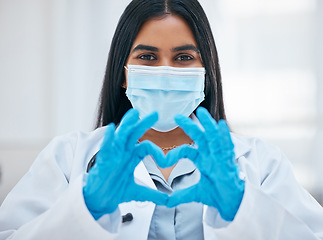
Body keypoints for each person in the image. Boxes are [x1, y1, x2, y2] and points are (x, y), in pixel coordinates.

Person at [1, 0, 323, 239]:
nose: (165, 71)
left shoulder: (260, 164)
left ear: (206, 75)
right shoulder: (69, 158)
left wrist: (245, 208)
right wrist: (85, 209)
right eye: (147, 57)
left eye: (184, 57)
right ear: (124, 74)